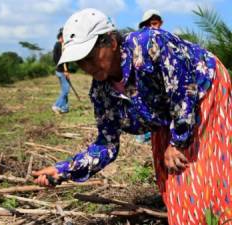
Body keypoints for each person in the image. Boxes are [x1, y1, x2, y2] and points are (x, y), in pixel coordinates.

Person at [32, 8, 232, 224]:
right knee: (178, 187)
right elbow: (106, 146)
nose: (88, 67)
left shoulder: (150, 44)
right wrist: (64, 170)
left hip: (202, 90)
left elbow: (185, 90)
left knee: (202, 174)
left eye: (90, 57)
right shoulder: (102, 92)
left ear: (111, 42)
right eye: (81, 62)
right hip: (166, 114)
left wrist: (177, 142)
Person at [136, 9, 163, 143]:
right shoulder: (138, 43)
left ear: (160, 23)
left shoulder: (165, 42)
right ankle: (143, 136)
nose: (152, 28)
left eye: (154, 23)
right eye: (148, 25)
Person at [52, 28, 70, 114]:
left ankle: (65, 108)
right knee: (66, 90)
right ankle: (57, 105)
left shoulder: (56, 45)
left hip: (59, 70)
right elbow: (63, 60)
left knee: (64, 90)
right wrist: (66, 70)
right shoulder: (60, 45)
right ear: (61, 37)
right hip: (62, 71)